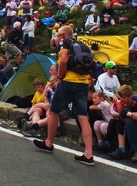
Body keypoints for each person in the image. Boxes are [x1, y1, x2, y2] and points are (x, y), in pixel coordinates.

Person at [33, 25, 94, 166]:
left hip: (69, 83)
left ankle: (49, 142)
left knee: (54, 111)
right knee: (83, 117)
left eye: (59, 35)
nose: (58, 37)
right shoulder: (83, 45)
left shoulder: (66, 44)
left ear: (64, 35)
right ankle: (89, 154)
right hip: (83, 84)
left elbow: (64, 60)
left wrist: (60, 77)